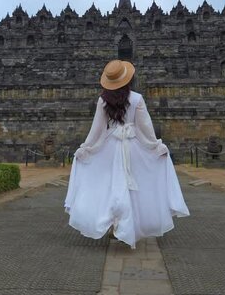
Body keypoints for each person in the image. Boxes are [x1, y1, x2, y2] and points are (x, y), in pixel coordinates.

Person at [64, 59, 190, 249]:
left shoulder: (103, 100)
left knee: (110, 185)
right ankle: (125, 226)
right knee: (131, 186)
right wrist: (155, 146)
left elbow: (96, 129)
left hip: (109, 146)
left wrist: (87, 147)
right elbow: (145, 127)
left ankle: (116, 225)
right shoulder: (137, 99)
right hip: (132, 146)